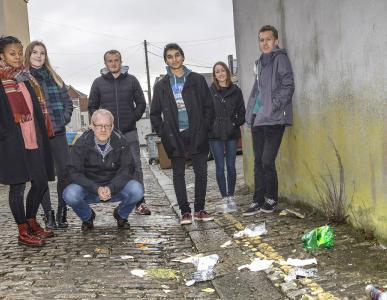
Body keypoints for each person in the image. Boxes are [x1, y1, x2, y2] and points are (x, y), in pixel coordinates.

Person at [150, 43, 214, 225]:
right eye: (170, 56)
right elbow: (154, 114)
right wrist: (163, 132)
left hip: (197, 132)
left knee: (201, 172)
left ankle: (200, 209)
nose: (174, 59)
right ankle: (185, 212)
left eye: (177, 55)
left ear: (183, 57)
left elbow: (209, 106)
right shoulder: (162, 85)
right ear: (166, 60)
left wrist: (205, 127)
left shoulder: (197, 80)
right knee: (178, 174)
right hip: (174, 136)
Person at [0, 36, 55, 246]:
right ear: (2, 55)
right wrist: (4, 135)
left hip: (34, 140)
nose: (16, 56)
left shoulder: (25, 78)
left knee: (40, 182)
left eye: (18, 52)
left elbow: (36, 110)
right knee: (18, 187)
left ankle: (32, 221)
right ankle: (22, 230)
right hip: (12, 143)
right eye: (11, 53)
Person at [88, 50, 150, 215]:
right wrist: (102, 126)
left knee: (136, 166)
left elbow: (141, 103)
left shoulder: (132, 80)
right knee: (112, 168)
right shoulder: (98, 83)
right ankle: (121, 199)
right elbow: (92, 107)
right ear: (105, 63)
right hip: (108, 135)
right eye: (110, 61)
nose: (113, 63)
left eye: (116, 60)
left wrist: (132, 118)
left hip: (129, 132)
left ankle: (140, 202)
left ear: (121, 61)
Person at [62, 109, 144, 231]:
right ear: (91, 126)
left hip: (115, 188)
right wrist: (96, 188)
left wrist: (111, 187)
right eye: (99, 125)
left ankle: (121, 215)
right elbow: (74, 172)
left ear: (112, 126)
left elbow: (127, 169)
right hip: (89, 189)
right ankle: (88, 217)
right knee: (69, 194)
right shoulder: (81, 143)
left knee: (137, 190)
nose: (103, 129)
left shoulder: (121, 142)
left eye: (107, 125)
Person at [244, 25, 295, 216]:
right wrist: (250, 113)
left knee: (267, 161)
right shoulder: (259, 63)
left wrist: (272, 106)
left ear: (276, 41)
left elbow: (288, 85)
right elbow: (256, 91)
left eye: (268, 39)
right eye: (261, 40)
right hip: (258, 119)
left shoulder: (280, 58)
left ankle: (272, 198)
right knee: (258, 162)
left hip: (274, 119)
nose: (264, 43)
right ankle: (257, 200)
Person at [24, 41, 73, 229]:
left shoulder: (55, 77)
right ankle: (48, 214)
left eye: (42, 53)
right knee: (41, 177)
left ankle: (62, 211)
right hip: (37, 136)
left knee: (65, 174)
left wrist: (63, 119)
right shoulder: (24, 79)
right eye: (35, 52)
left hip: (58, 133)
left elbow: (68, 103)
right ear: (28, 55)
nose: (38, 56)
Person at [209, 62, 245, 210]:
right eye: (217, 72)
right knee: (219, 167)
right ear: (214, 75)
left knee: (231, 166)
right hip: (215, 133)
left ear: (227, 72)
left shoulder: (236, 91)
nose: (221, 74)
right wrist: (209, 125)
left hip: (231, 133)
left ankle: (231, 197)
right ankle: (224, 198)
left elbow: (242, 113)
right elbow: (205, 111)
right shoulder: (210, 91)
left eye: (223, 70)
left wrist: (234, 124)